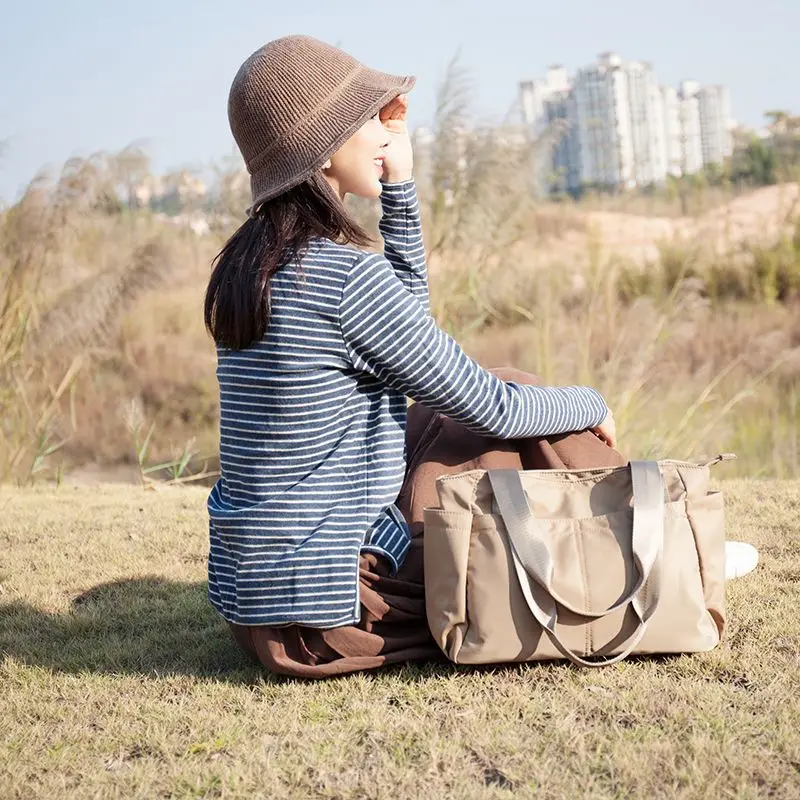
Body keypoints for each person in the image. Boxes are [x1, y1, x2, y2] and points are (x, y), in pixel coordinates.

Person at [203, 35, 755, 679]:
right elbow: (491, 409)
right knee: (511, 401)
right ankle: (652, 549)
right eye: (365, 117)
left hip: (260, 608)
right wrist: (591, 402)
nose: (385, 130)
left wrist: (398, 188)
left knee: (493, 391)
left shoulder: (250, 268)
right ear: (324, 147)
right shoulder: (344, 276)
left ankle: (636, 535)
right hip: (334, 615)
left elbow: (404, 332)